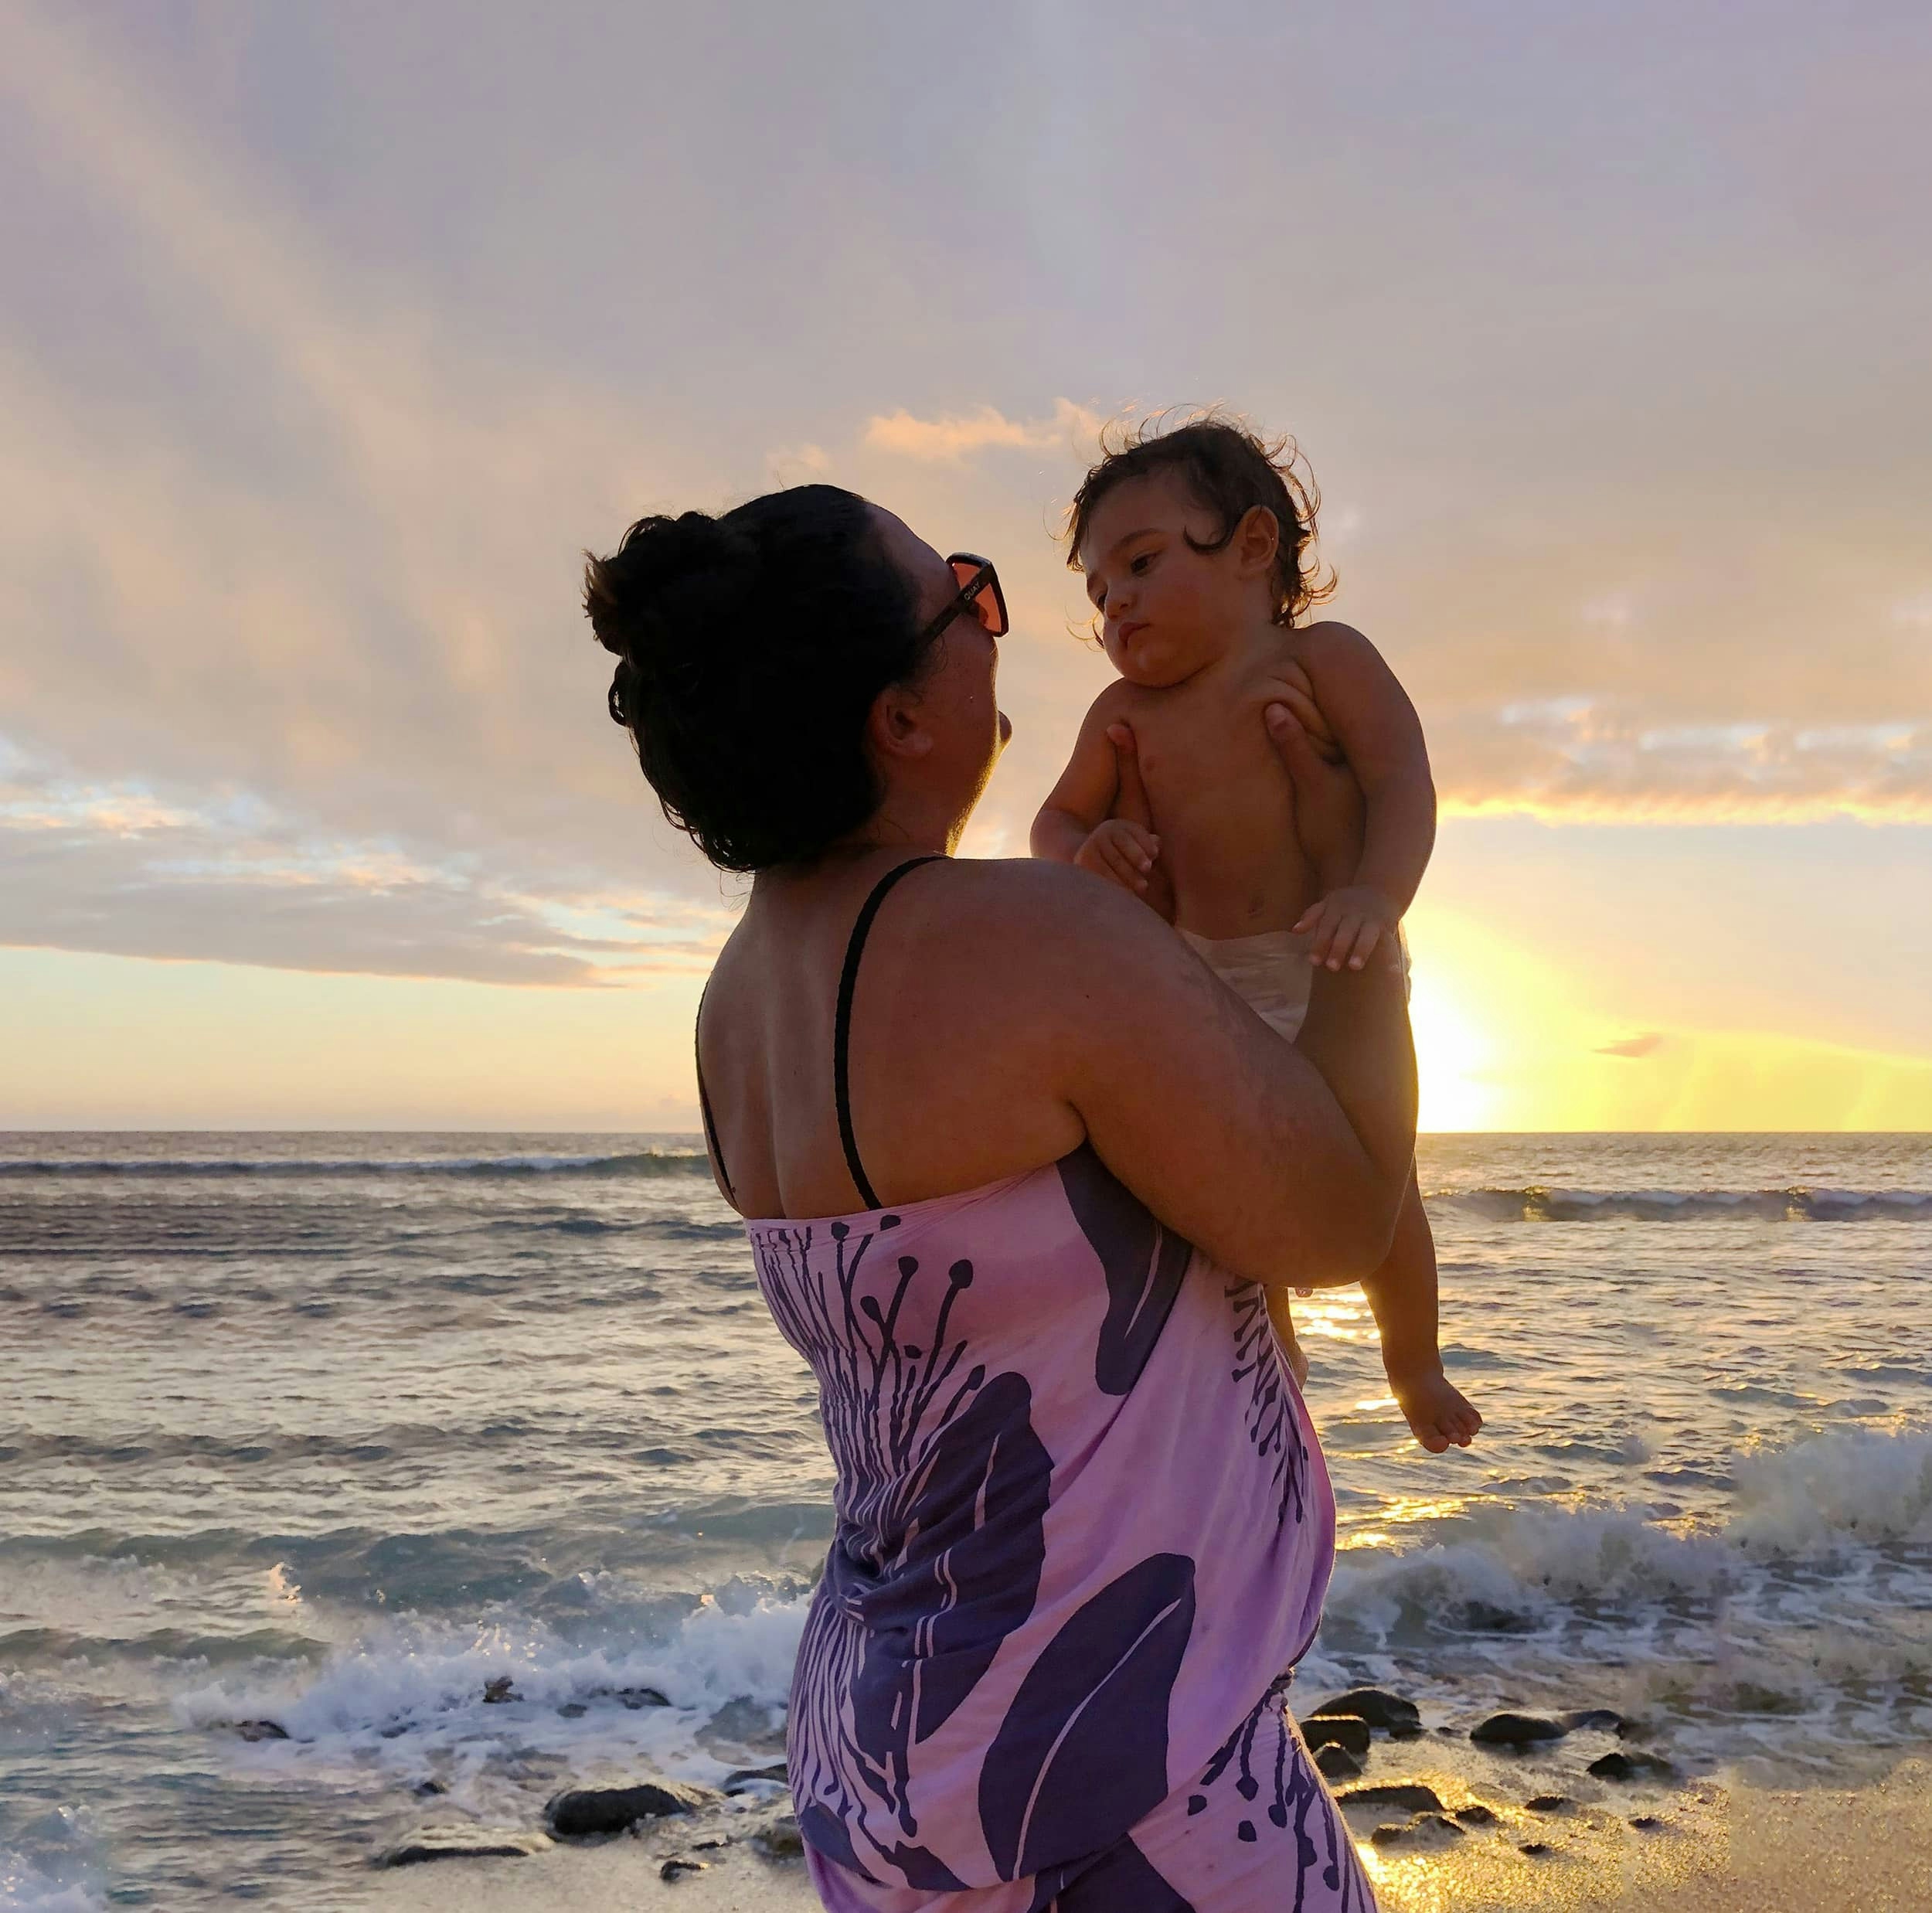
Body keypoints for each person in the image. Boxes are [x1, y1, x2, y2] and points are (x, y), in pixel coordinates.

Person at [583, 483, 1410, 1911]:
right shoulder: (1029, 940)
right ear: (898, 720)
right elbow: (1340, 1220)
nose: (1000, 633)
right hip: (1116, 1783)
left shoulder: (734, 1009)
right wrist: (1353, 910)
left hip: (890, 1765)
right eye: (966, 601)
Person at [1032, 416, 1481, 1455]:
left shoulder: (1325, 660)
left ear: (1249, 548)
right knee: (1232, 1207)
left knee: (1382, 1184)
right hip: (1201, 984)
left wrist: (1377, 894)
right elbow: (1052, 823)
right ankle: (1275, 1371)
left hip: (1327, 954)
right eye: (1099, 593)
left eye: (1140, 565)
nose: (1118, 605)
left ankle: (1413, 1362)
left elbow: (1399, 779)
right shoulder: (1123, 713)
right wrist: (1085, 848)